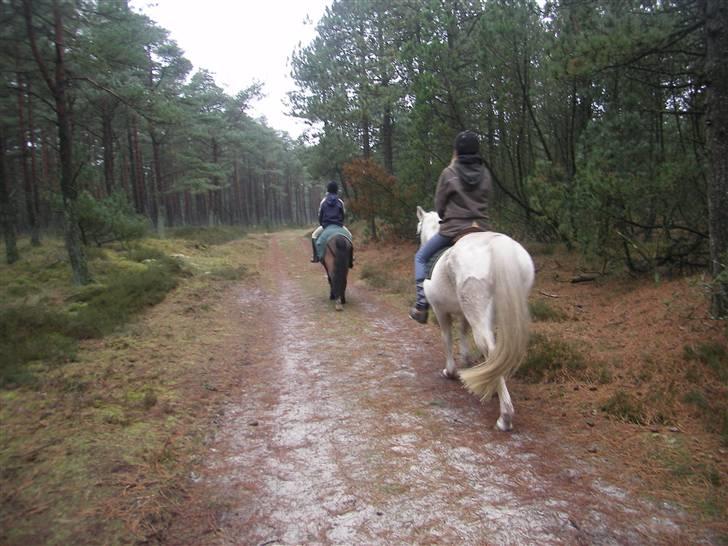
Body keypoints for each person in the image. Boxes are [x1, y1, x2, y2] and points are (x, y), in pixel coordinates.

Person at [409, 130, 493, 324]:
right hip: (482, 228)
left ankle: (422, 306)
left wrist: (448, 216)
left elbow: (439, 205)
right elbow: (487, 199)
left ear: (457, 151)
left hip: (454, 229)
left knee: (420, 257)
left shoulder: (449, 172)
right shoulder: (485, 173)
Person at [311, 181, 351, 262]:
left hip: (326, 225)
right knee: (349, 236)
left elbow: (320, 215)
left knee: (314, 236)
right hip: (338, 225)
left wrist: (322, 224)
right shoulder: (340, 201)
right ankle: (350, 258)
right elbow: (343, 215)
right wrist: (340, 224)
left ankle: (316, 256)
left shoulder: (323, 201)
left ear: (328, 190)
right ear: (336, 190)